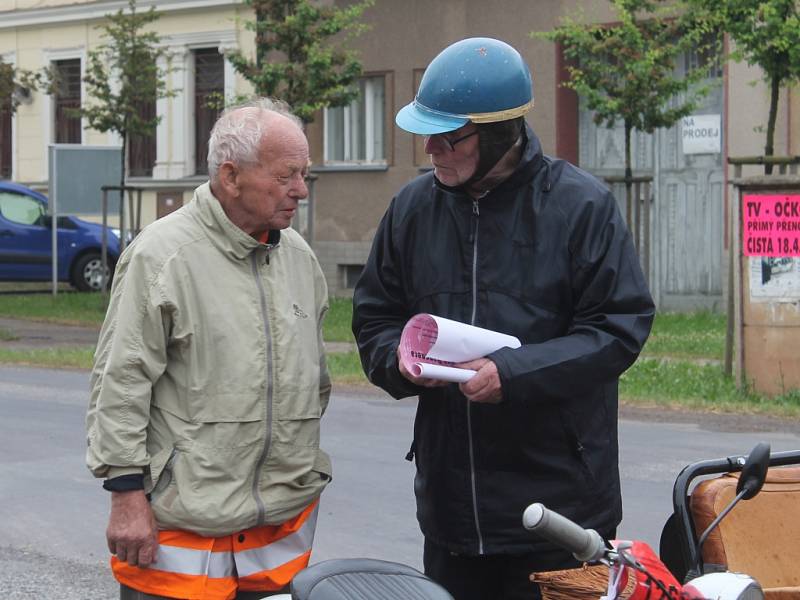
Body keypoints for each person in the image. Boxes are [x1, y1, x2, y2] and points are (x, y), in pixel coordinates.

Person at [351, 37, 655, 600]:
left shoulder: (581, 206)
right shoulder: (412, 210)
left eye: (448, 136)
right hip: (451, 517)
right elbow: (374, 317)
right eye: (425, 134)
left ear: (498, 132)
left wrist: (512, 374)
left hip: (563, 517)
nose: (431, 149)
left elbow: (618, 328)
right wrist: (396, 359)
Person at [86, 98, 332, 600]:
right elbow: (121, 383)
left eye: (305, 175)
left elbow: (315, 383)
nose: (301, 191)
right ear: (230, 175)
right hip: (181, 543)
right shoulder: (161, 256)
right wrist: (126, 495)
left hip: (279, 538)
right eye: (287, 176)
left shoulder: (300, 259)